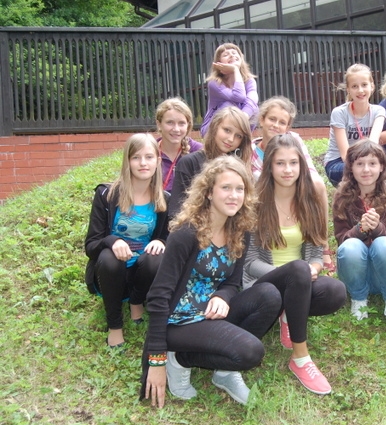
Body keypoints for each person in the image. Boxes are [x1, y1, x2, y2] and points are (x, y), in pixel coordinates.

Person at [141, 156, 281, 408]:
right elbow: (158, 297)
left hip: (209, 313)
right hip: (179, 322)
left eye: (240, 189)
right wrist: (156, 360)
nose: (234, 195)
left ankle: (224, 371)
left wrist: (222, 296)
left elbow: (233, 283)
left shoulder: (240, 231)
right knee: (251, 352)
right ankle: (179, 359)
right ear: (208, 192)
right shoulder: (186, 234)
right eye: (226, 188)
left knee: (269, 295)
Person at [243, 134, 346, 395]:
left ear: (301, 165)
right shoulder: (255, 203)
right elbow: (250, 262)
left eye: (293, 163)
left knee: (335, 291)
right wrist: (289, 275)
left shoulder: (309, 200)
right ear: (269, 166)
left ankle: (289, 313)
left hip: (299, 279)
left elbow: (314, 254)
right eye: (280, 163)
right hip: (263, 283)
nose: (287, 170)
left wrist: (315, 269)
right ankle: (300, 359)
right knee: (297, 270)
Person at [84, 133, 169, 348]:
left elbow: (168, 238)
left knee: (157, 257)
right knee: (109, 258)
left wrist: (161, 241)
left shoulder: (164, 200)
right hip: (111, 275)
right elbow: (91, 245)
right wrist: (112, 241)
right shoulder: (106, 195)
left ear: (157, 161)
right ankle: (115, 325)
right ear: (127, 161)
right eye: (136, 157)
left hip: (141, 275)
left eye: (149, 157)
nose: (143, 163)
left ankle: (136, 300)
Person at [251, 96, 336, 274]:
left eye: (282, 122)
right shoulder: (250, 150)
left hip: (292, 192)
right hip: (264, 199)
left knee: (318, 184)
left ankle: (323, 244)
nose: (276, 125)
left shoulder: (293, 140)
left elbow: (306, 169)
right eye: (272, 119)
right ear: (262, 120)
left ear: (288, 127)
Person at [333, 139, 386, 331]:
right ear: (351, 168)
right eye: (360, 164)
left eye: (372, 163)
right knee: (351, 246)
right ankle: (358, 299)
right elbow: (341, 241)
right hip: (355, 272)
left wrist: (377, 228)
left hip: (383, 272)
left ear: (382, 167)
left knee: (383, 244)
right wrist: (360, 229)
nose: (366, 170)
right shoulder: (341, 197)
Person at [323, 63, 386, 186]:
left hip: (369, 161)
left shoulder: (379, 111)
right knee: (362, 170)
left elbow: (373, 144)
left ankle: (373, 188)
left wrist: (370, 166)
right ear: (348, 89)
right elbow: (345, 155)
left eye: (364, 85)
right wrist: (368, 167)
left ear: (372, 86)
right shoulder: (339, 113)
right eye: (354, 86)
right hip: (340, 164)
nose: (360, 90)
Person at [168, 106, 252, 218]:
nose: (231, 139)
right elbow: (176, 213)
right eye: (227, 130)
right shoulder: (189, 163)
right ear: (215, 127)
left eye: (238, 136)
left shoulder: (241, 168)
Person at [200, 43, 258, 137]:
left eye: (234, 53)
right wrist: (235, 69)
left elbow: (252, 101)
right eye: (226, 55)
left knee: (254, 109)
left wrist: (242, 119)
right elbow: (239, 96)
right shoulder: (214, 83)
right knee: (229, 106)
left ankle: (242, 139)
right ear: (219, 63)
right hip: (211, 130)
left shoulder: (249, 81)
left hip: (237, 125)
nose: (231, 55)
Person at [155, 98, 203, 192]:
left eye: (181, 123)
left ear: (188, 125)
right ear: (159, 124)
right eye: (170, 122)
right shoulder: (149, 151)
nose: (176, 129)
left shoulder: (198, 151)